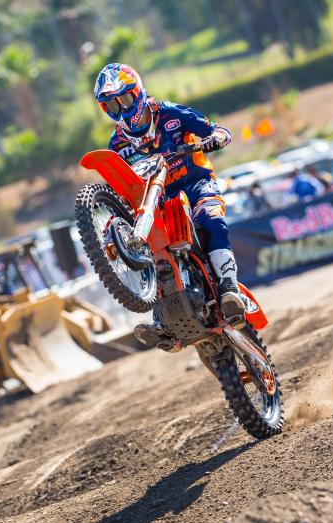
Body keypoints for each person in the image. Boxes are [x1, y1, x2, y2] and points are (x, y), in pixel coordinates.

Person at [94, 62, 245, 338]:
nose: (121, 109)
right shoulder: (117, 144)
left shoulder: (171, 114)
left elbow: (218, 130)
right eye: (112, 105)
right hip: (157, 201)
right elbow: (119, 188)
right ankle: (161, 316)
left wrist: (215, 139)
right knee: (144, 247)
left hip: (195, 183)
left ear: (138, 92)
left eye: (125, 99)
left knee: (210, 218)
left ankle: (229, 289)